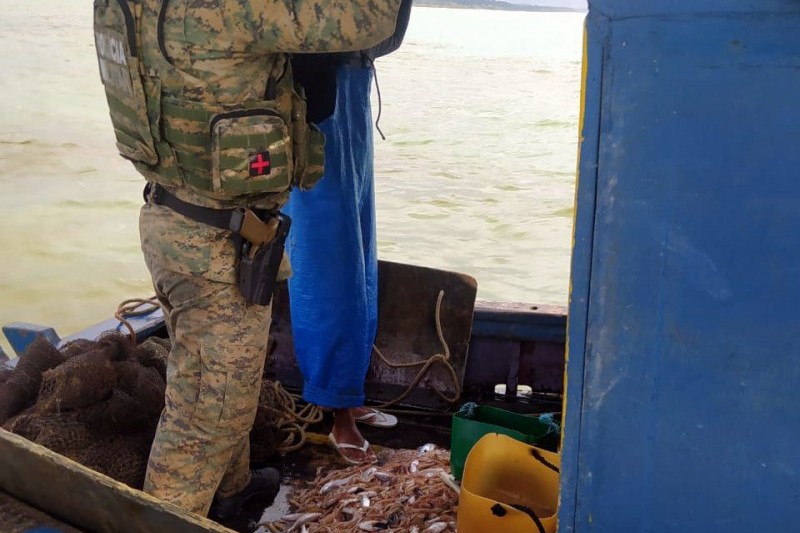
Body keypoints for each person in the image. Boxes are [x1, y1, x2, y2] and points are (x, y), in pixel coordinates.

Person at [93, 0, 404, 518]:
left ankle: (233, 492)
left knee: (217, 382)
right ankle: (169, 516)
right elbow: (373, 20)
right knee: (203, 419)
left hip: (170, 217)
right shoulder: (238, 8)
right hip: (219, 244)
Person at [286, 0, 413, 464]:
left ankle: (349, 392)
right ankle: (334, 407)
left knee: (359, 253)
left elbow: (384, 33)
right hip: (314, 104)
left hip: (350, 89)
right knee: (326, 266)